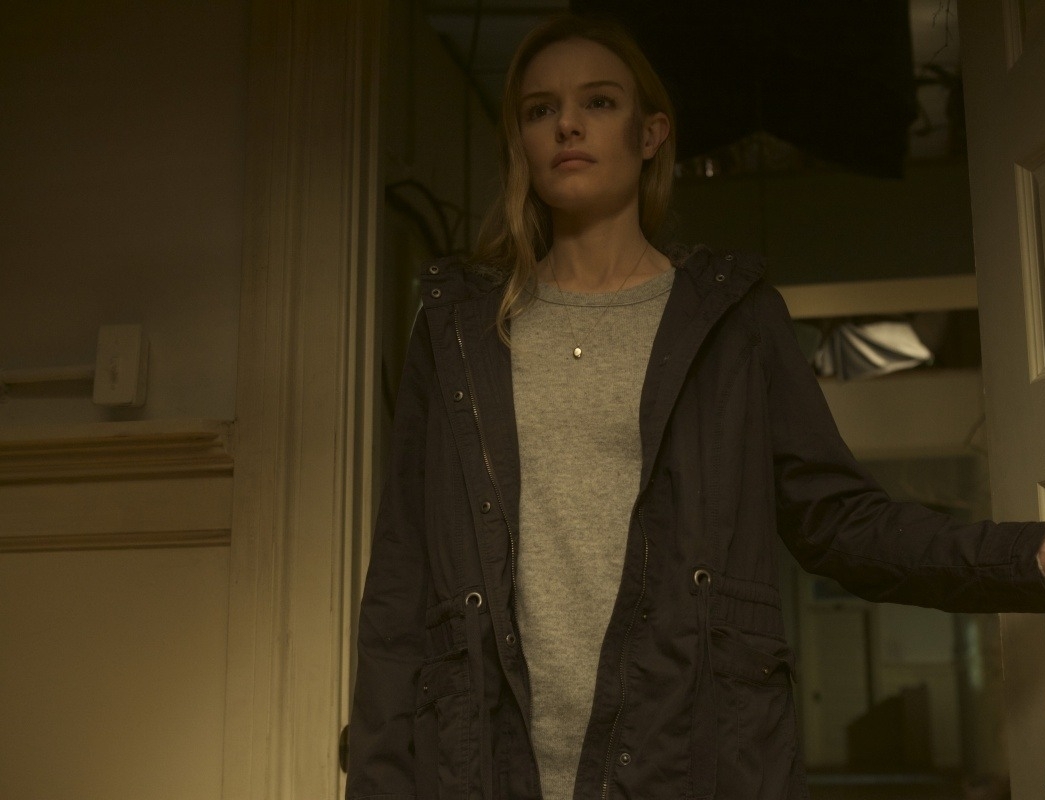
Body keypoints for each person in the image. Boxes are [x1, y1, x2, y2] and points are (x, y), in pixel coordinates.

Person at [346, 13, 1045, 800]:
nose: (567, 124)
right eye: (540, 109)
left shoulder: (733, 321)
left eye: (598, 102)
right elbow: (400, 586)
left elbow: (839, 521)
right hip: (485, 768)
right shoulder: (458, 330)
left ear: (650, 133)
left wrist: (1027, 558)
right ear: (521, 141)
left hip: (689, 761)